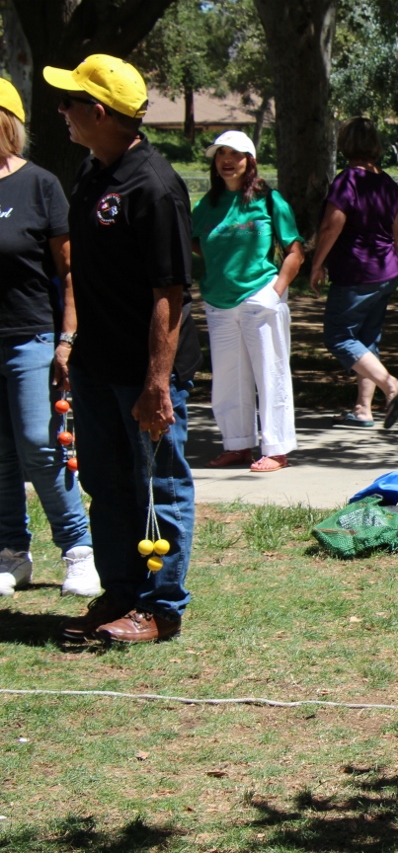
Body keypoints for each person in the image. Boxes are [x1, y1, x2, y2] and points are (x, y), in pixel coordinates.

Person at [43, 54, 200, 643]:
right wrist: (70, 339)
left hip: (145, 374)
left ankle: (160, 609)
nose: (61, 110)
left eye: (70, 101)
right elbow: (79, 271)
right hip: (94, 365)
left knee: (159, 487)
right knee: (106, 486)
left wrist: (156, 385)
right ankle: (121, 593)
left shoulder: (155, 187)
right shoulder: (90, 174)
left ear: (100, 112)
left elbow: (170, 293)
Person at [0, 77, 100, 598]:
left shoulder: (39, 185)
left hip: (31, 336)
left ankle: (78, 551)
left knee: (40, 445)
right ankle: (11, 554)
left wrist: (66, 339)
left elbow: (69, 273)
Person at [193, 130, 304, 473]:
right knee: (227, 378)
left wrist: (275, 291)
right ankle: (238, 445)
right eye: (221, 153)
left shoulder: (269, 200)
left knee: (270, 374)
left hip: (260, 297)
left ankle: (277, 448)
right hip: (218, 301)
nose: (227, 160)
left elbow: (295, 251)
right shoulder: (206, 204)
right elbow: (197, 243)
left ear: (250, 161)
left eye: (235, 154)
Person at [309, 117, 398, 429]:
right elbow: (397, 230)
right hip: (386, 271)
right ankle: (363, 410)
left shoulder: (348, 181)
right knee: (366, 338)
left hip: (357, 272)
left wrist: (316, 264)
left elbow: (332, 225)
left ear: (345, 144)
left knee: (339, 336)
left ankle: (392, 385)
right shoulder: (388, 183)